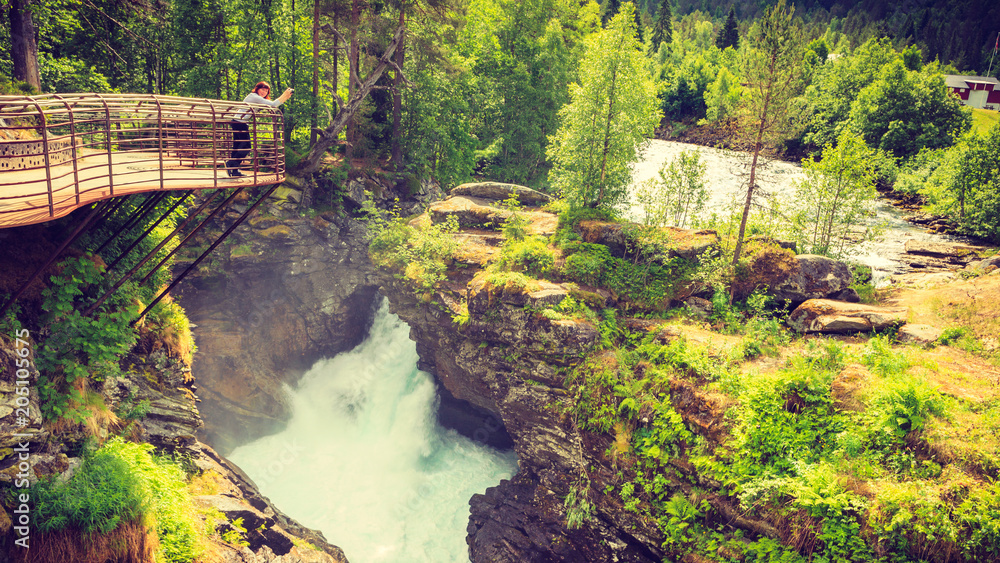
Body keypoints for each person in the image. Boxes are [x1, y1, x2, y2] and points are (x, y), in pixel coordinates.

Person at [226, 81, 293, 177]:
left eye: (266, 91)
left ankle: (234, 170)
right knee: (246, 146)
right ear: (257, 89)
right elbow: (273, 105)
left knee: (238, 146)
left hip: (238, 121)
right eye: (262, 89)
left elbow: (272, 106)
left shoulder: (257, 98)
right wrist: (284, 95)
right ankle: (231, 164)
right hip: (240, 122)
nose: (264, 92)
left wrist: (285, 97)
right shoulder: (254, 96)